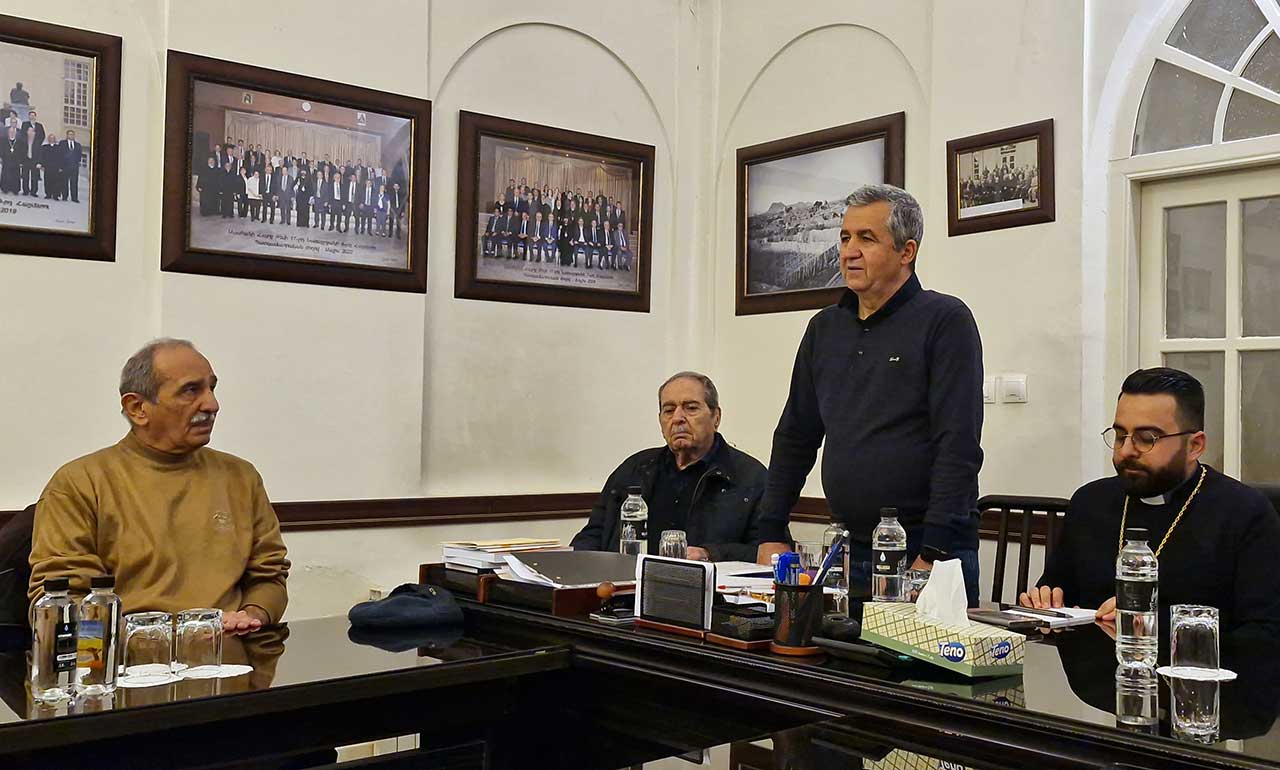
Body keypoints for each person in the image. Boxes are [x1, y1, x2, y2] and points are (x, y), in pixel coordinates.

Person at [759, 184, 985, 606]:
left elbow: (958, 445)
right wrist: (770, 529)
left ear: (906, 251)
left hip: (924, 551)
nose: (849, 252)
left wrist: (932, 554)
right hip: (847, 551)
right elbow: (795, 436)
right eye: (845, 237)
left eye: (866, 238)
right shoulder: (824, 329)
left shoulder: (945, 321)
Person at [28, 339, 290, 633]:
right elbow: (62, 600)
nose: (212, 405)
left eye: (212, 388)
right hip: (125, 654)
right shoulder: (80, 483)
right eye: (190, 390)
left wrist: (251, 615)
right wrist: (148, 637)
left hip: (227, 649)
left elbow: (268, 577)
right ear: (137, 408)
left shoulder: (241, 477)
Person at [1020, 368, 1280, 659]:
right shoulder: (1089, 502)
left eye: (1146, 438)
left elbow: (1264, 636)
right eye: (1120, 435)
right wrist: (1044, 602)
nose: (1126, 451)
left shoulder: (1244, 513)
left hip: (1192, 683)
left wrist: (1155, 626)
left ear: (1194, 445)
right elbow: (1058, 591)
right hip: (1094, 681)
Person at [571, 372, 786, 562]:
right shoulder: (635, 470)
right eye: (669, 410)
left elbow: (774, 554)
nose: (677, 418)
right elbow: (593, 535)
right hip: (626, 588)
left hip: (708, 591)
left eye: (691, 408)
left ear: (716, 417)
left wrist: (711, 554)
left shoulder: (750, 478)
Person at [19, 125, 40, 197]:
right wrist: (20, 162)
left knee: (34, 177)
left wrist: (39, 162)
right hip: (26, 160)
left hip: (34, 160)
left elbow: (40, 153)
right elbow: (21, 152)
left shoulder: (38, 142)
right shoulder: (23, 141)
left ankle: (34, 192)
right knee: (25, 176)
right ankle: (25, 190)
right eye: (29, 131)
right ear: (27, 132)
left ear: (35, 133)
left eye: (32, 131)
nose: (30, 133)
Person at [0, 126, 20, 194]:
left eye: (13, 132)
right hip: (6, 161)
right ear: (8, 133)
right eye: (10, 132)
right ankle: (5, 188)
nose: (12, 133)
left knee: (15, 175)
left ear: (15, 133)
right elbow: (1, 150)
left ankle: (15, 189)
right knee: (6, 175)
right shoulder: (3, 141)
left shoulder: (19, 142)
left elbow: (21, 151)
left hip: (15, 161)